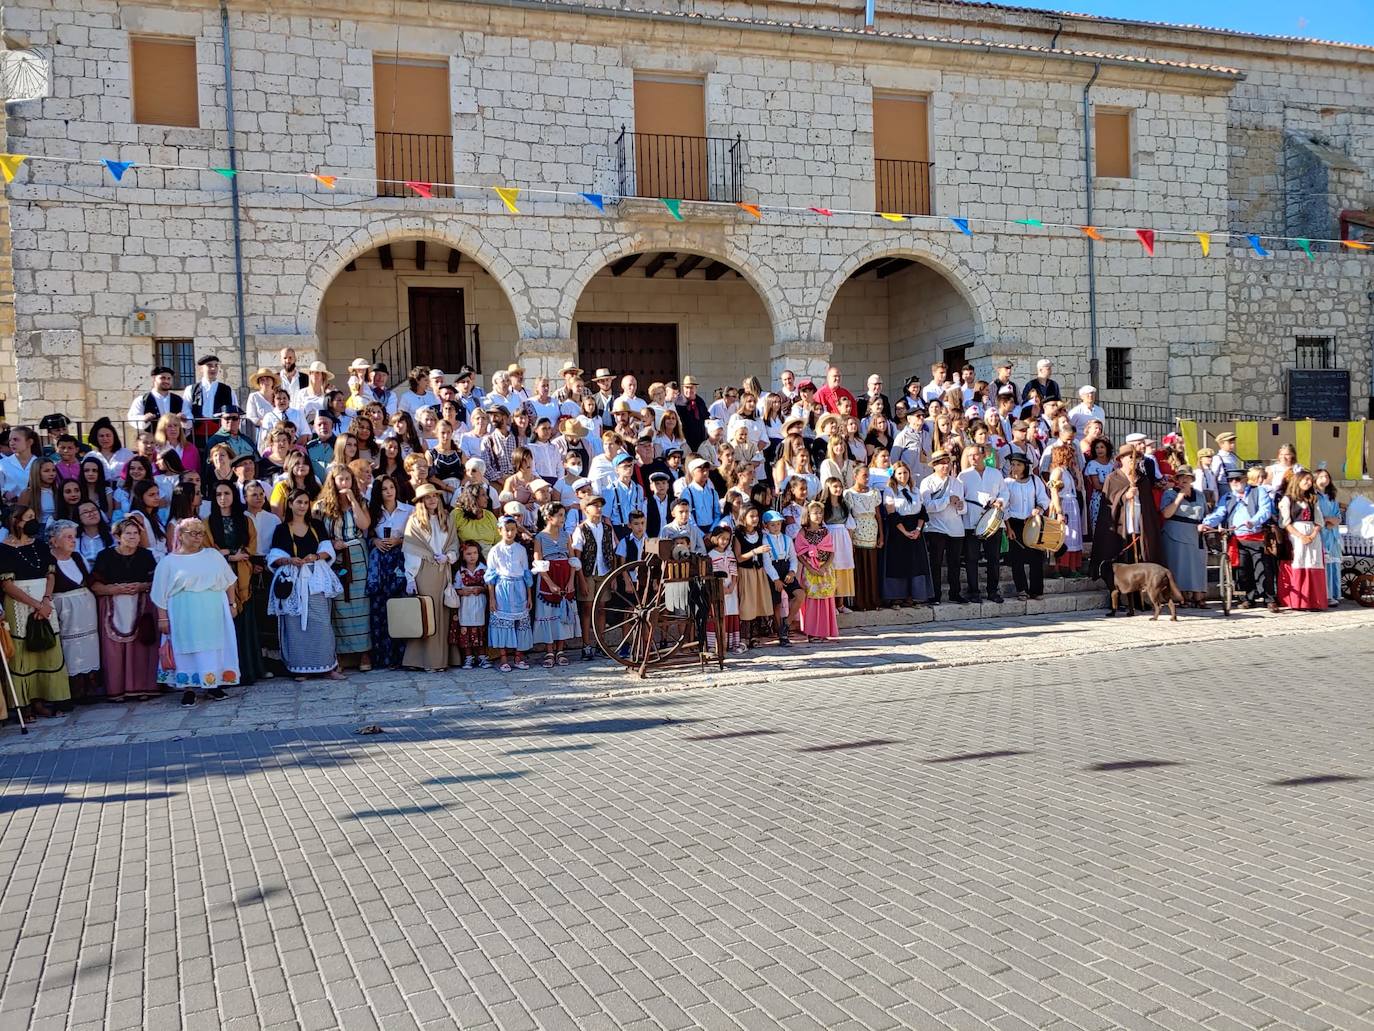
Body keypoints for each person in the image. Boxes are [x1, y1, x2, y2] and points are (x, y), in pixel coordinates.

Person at [152, 517, 240, 705]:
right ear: (180, 536)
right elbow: (160, 593)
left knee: (213, 646)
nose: (197, 537)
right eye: (192, 534)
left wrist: (232, 604)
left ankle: (212, 684)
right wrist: (162, 618)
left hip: (212, 609)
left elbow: (229, 580)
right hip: (183, 612)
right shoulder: (169, 562)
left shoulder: (213, 555)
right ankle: (188, 689)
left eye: (200, 533)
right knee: (186, 647)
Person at [269, 488, 345, 680]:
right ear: (290, 504)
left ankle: (327, 666)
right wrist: (289, 560)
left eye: (305, 502)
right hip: (292, 579)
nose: (302, 506)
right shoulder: (281, 529)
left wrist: (316, 556)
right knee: (295, 623)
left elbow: (327, 549)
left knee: (321, 621)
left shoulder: (317, 526)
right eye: (298, 502)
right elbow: (274, 556)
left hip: (314, 578)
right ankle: (299, 667)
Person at [89, 517, 160, 702]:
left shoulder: (146, 555)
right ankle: (117, 689)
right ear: (117, 536)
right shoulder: (105, 556)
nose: (133, 537)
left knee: (141, 647)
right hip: (113, 606)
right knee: (114, 649)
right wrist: (113, 589)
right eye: (128, 533)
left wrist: (141, 586)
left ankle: (142, 687)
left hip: (141, 604)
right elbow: (94, 585)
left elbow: (155, 582)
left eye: (136, 533)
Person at [207, 481, 267, 685]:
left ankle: (247, 670)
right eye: (218, 494)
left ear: (234, 495)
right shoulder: (207, 523)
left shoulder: (245, 520)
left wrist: (235, 556)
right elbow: (208, 550)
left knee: (245, 625)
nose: (223, 498)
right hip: (219, 579)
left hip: (242, 576)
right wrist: (229, 556)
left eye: (227, 493)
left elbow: (251, 546)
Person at [315, 465, 373, 671]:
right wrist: (331, 542)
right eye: (341, 480)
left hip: (357, 555)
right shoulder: (321, 507)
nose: (345, 483)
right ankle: (338, 654)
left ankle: (364, 653)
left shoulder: (361, 502)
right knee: (339, 604)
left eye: (348, 479)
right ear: (333, 481)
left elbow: (364, 525)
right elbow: (316, 534)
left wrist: (353, 500)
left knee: (361, 603)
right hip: (334, 558)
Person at [401, 483, 458, 672]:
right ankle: (423, 660)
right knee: (427, 614)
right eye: (428, 497)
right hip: (423, 570)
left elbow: (453, 544)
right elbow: (410, 551)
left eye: (435, 496)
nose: (432, 499)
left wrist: (448, 556)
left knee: (442, 614)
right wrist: (410, 577)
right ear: (421, 501)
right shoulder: (415, 521)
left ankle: (440, 660)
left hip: (443, 570)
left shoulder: (447, 519)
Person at [1202, 467, 1277, 610]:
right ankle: (1247, 598)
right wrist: (1206, 523)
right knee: (1242, 570)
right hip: (1238, 538)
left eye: (1237, 479)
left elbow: (1265, 510)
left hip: (1257, 536)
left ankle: (1269, 599)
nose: (1234, 483)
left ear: (1245, 480)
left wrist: (1254, 521)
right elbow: (1219, 513)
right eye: (1231, 480)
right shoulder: (1228, 497)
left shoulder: (1258, 491)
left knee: (1263, 569)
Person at [48, 520, 102, 702]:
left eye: (74, 536)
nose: (73, 540)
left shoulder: (78, 557)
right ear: (54, 541)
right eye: (67, 537)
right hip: (65, 611)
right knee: (70, 647)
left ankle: (90, 686)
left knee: (89, 645)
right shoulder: (50, 561)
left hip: (86, 610)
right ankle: (74, 688)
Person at [1091, 445, 1163, 578]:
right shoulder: (1113, 478)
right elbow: (1108, 505)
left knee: (1140, 562)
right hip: (1121, 528)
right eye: (1130, 457)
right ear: (1121, 459)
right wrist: (1124, 496)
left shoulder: (1143, 480)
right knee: (1123, 563)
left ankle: (1140, 596)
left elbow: (1149, 507)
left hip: (1139, 526)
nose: (1133, 461)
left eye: (1136, 458)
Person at [995, 452, 1049, 601]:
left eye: (1019, 464)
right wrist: (1008, 528)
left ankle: (1036, 591)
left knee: (1036, 558)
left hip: (1032, 523)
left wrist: (1038, 508)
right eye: (1013, 464)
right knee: (1017, 559)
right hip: (1015, 523)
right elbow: (1004, 507)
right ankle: (1022, 590)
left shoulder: (1034, 480)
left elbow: (1044, 499)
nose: (1015, 467)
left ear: (1025, 466)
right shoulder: (1007, 483)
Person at [532, 502, 579, 666]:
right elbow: (538, 562)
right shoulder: (540, 537)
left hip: (565, 575)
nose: (562, 519)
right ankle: (549, 650)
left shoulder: (566, 535)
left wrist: (571, 580)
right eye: (559, 515)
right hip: (549, 576)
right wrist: (550, 583)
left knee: (563, 613)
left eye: (563, 515)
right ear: (549, 517)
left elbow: (572, 560)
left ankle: (561, 649)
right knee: (548, 613)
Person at [486, 515, 533, 671]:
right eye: (507, 530)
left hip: (519, 587)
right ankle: (504, 658)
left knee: (521, 623)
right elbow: (491, 576)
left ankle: (518, 656)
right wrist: (492, 598)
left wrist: (529, 595)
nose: (510, 533)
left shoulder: (520, 549)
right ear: (500, 530)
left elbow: (526, 573)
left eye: (513, 530)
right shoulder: (495, 550)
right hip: (502, 588)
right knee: (502, 623)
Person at [1277, 470, 1327, 611]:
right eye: (1306, 479)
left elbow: (1319, 521)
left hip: (1313, 534)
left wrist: (1312, 535)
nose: (1308, 482)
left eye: (1310, 480)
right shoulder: (1287, 499)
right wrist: (1301, 536)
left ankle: (1315, 601)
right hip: (1296, 534)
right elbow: (1286, 523)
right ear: (1297, 481)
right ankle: (1300, 601)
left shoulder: (1312, 499)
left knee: (1314, 563)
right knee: (1300, 561)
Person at [1158, 466, 1208, 607]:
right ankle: (1181, 596)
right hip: (1175, 533)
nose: (1185, 479)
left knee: (1197, 564)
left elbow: (1205, 513)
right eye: (1181, 477)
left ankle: (1198, 595)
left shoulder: (1199, 494)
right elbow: (1166, 514)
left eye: (1187, 477)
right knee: (1179, 565)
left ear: (1192, 479)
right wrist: (1179, 497)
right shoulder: (1169, 493)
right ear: (1177, 479)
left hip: (1195, 532)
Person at [794, 501, 839, 642]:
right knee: (812, 600)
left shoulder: (825, 531)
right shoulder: (803, 532)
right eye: (815, 513)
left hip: (825, 570)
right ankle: (812, 632)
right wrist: (810, 568)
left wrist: (825, 567)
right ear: (808, 515)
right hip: (810, 570)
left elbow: (831, 551)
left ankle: (824, 631)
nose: (818, 516)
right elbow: (800, 553)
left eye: (820, 513)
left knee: (825, 600)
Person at [844, 464, 884, 611]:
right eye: (864, 475)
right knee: (859, 567)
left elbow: (878, 515)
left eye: (868, 475)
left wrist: (881, 535)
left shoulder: (874, 492)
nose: (867, 479)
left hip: (871, 531)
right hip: (857, 530)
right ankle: (860, 602)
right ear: (855, 476)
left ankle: (872, 600)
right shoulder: (848, 494)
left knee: (871, 567)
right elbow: (847, 516)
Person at [706, 522, 745, 655]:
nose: (725, 541)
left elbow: (734, 572)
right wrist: (723, 588)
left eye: (727, 539)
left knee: (731, 612)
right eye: (722, 538)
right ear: (715, 538)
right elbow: (714, 575)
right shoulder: (711, 555)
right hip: (718, 588)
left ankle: (732, 643)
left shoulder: (730, 554)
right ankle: (716, 643)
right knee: (719, 612)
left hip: (731, 589)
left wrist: (732, 586)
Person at [451, 541, 490, 669]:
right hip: (465, 606)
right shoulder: (460, 572)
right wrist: (463, 592)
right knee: (466, 631)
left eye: (475, 553)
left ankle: (482, 656)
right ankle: (468, 657)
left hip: (480, 604)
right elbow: (456, 588)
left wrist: (481, 590)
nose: (472, 556)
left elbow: (489, 586)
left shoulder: (484, 569)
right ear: (462, 556)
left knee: (480, 630)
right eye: (468, 554)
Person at [1314, 469, 1343, 606]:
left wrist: (1335, 520)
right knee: (1324, 563)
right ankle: (1326, 594)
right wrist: (1326, 520)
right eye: (1321, 476)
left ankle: (1335, 593)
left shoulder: (1332, 496)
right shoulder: (1314, 496)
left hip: (1333, 533)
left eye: (1326, 476)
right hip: (1321, 532)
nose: (1324, 479)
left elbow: (1338, 514)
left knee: (1333, 564)